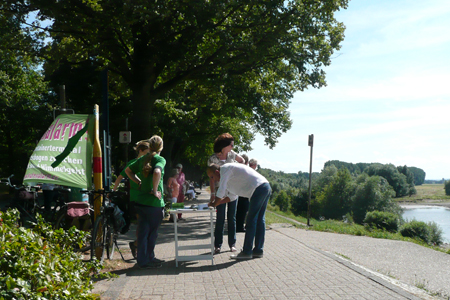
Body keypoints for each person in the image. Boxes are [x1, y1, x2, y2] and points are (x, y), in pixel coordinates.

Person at [208, 162, 271, 259]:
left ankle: (247, 252)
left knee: (251, 220)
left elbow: (220, 192)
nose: (212, 180)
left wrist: (214, 203)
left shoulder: (225, 170)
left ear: (216, 172)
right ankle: (258, 250)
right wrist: (217, 203)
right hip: (264, 186)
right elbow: (231, 197)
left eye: (212, 177)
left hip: (258, 189)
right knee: (259, 220)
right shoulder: (228, 176)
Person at [125, 135, 165, 269]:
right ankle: (150, 258)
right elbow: (157, 172)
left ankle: (142, 261)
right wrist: (154, 190)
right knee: (152, 233)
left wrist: (138, 182)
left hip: (140, 202)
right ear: (161, 147)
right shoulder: (160, 159)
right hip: (153, 204)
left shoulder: (142, 159)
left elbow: (128, 171)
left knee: (142, 233)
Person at [112, 140, 150, 259]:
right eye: (146, 153)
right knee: (142, 223)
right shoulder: (133, 163)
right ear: (141, 151)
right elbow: (120, 177)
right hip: (136, 198)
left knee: (145, 224)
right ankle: (138, 246)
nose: (148, 155)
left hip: (146, 197)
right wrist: (113, 191)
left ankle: (138, 245)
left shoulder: (148, 163)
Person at [207, 133, 245, 253]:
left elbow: (243, 160)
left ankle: (232, 244)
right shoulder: (212, 159)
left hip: (233, 189)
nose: (233, 147)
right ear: (225, 145)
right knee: (220, 217)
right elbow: (212, 177)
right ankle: (217, 245)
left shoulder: (232, 155)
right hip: (220, 191)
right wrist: (213, 193)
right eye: (231, 145)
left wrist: (238, 169)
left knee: (232, 218)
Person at [235, 154, 249, 232]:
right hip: (244, 192)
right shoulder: (245, 169)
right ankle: (240, 227)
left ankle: (237, 226)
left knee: (238, 210)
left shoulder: (237, 169)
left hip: (237, 192)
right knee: (243, 210)